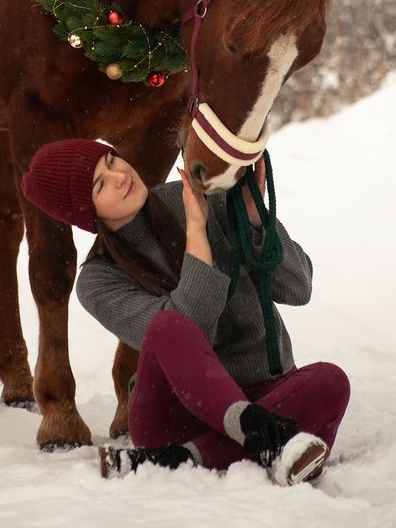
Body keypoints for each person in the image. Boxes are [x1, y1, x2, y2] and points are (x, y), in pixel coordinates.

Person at [21, 139, 350, 485]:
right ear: (84, 212)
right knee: (167, 325)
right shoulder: (97, 282)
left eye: (112, 161)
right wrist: (197, 233)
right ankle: (261, 439)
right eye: (100, 184)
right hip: (176, 416)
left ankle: (187, 458)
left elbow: (299, 288)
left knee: (332, 381)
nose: (119, 177)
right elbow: (193, 334)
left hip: (265, 393)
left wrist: (256, 221)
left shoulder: (200, 195)